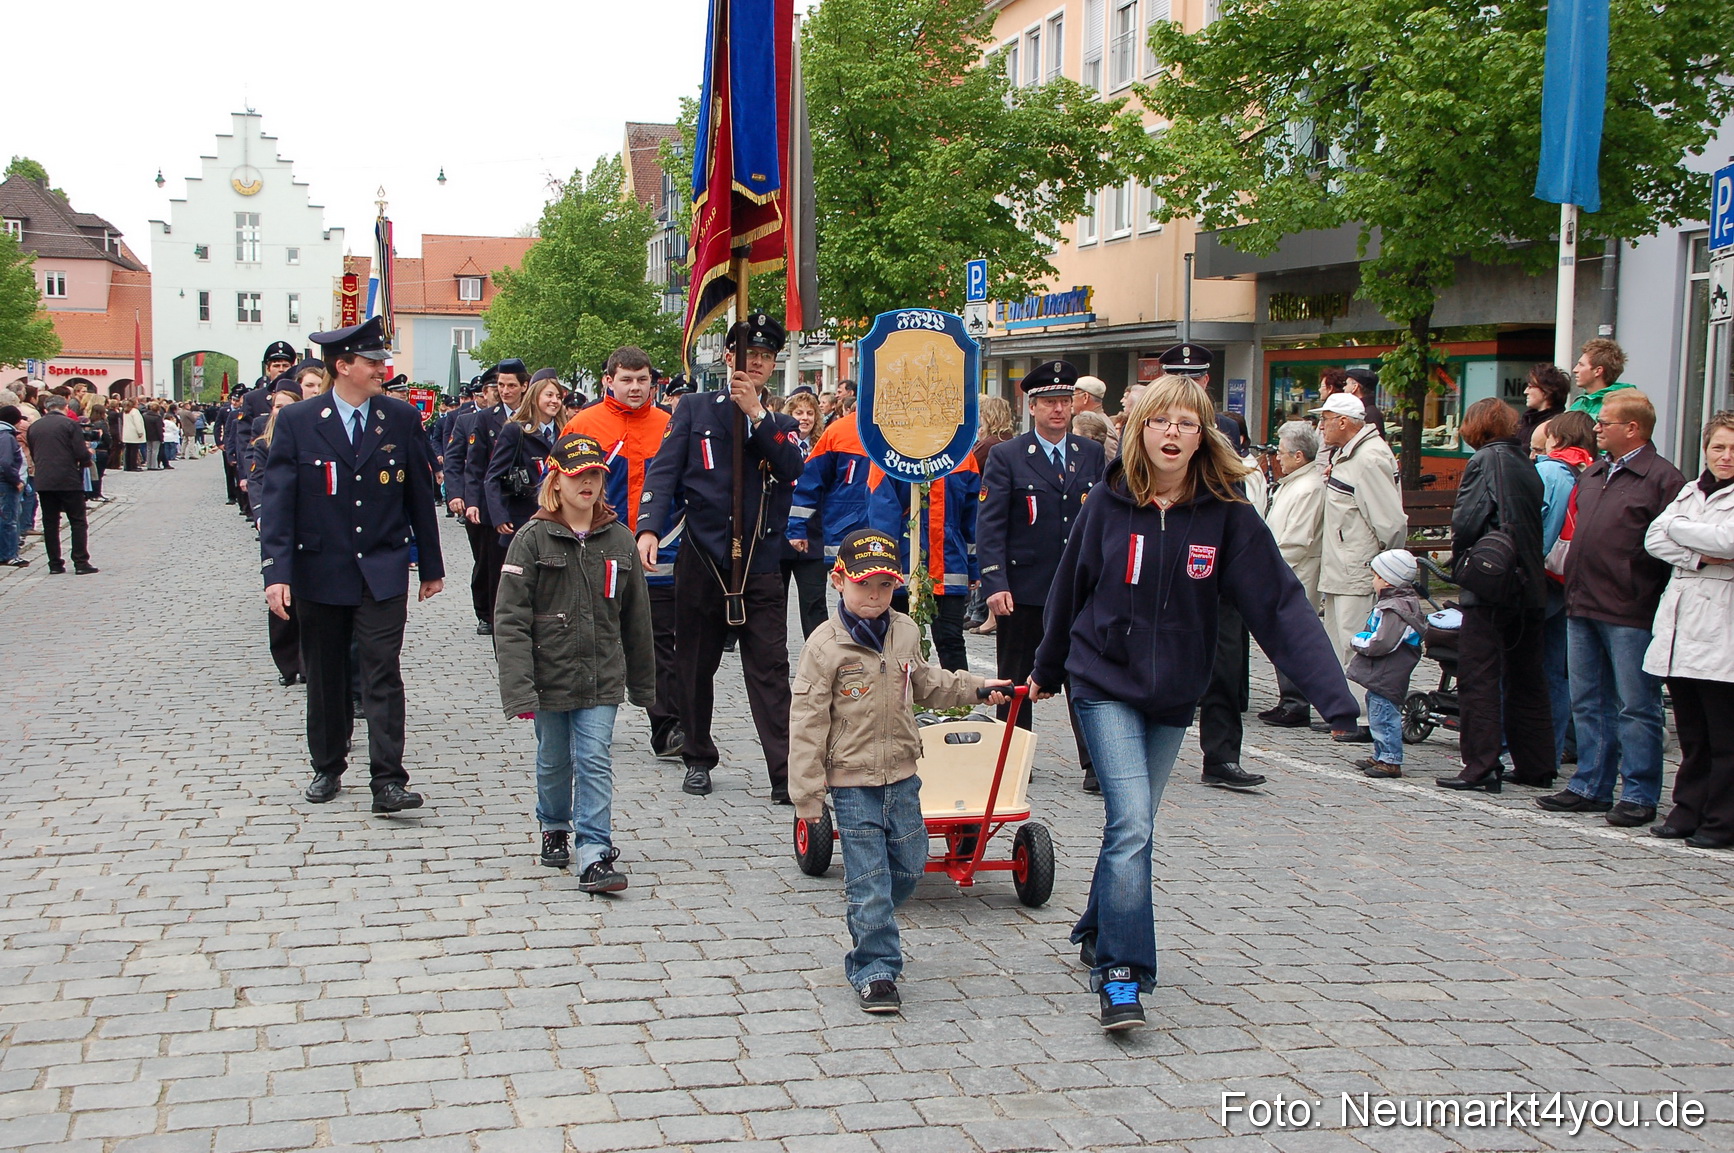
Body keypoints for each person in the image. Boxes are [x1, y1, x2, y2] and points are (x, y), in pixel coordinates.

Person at [1031, 374, 1359, 1031]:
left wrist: (1334, 697)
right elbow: (1070, 587)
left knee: (1134, 823)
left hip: (1175, 693)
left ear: (1201, 433)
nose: (1172, 433)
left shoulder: (1227, 514)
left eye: (1186, 422)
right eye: (1159, 421)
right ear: (1139, 431)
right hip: (1103, 683)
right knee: (1131, 823)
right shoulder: (1107, 502)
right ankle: (1122, 973)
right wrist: (1045, 668)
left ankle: (1100, 924)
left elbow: (1280, 605)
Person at [789, 528, 1009, 1013]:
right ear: (838, 580)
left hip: (903, 777)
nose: (874, 595)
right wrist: (807, 797)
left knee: (908, 868)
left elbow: (929, 681)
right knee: (868, 882)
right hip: (851, 785)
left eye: (885, 586)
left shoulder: (905, 631)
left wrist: (977, 688)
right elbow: (806, 724)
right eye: (865, 584)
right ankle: (876, 970)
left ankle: (874, 916)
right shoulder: (825, 647)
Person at [260, 316, 446, 814]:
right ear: (343, 367)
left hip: (382, 568)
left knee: (382, 671)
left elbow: (418, 496)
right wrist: (276, 574)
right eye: (373, 361)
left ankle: (388, 780)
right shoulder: (301, 422)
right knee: (325, 673)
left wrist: (430, 564)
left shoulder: (400, 418)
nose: (383, 368)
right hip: (320, 570)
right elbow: (279, 502)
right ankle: (328, 764)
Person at [638, 312, 805, 801]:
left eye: (764, 358)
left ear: (772, 366)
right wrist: (649, 528)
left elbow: (792, 466)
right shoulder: (693, 409)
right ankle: (696, 755)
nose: (754, 364)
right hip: (703, 556)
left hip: (759, 562)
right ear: (728, 357)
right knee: (693, 664)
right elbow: (664, 473)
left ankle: (784, 771)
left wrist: (757, 415)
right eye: (747, 355)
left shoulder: (782, 423)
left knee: (770, 669)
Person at [495, 434, 656, 889]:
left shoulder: (620, 540)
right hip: (550, 672)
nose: (587, 482)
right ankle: (553, 825)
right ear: (556, 481)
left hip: (602, 673)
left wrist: (645, 687)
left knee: (594, 757)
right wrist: (519, 689)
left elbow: (637, 619)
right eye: (577, 474)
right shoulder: (530, 539)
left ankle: (595, 851)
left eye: (595, 475)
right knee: (552, 759)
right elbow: (510, 619)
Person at [1539, 389, 1685, 826]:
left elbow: (1669, 547)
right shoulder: (1595, 472)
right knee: (1588, 699)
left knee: (1636, 705)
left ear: (1632, 428)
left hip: (1629, 608)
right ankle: (1590, 784)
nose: (1596, 427)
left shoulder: (1661, 479)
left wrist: (1643, 593)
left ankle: (1639, 793)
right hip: (1582, 602)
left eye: (1605, 422)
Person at [977, 360, 1106, 792]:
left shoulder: (1088, 454)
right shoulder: (1007, 456)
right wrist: (995, 583)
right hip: (1025, 585)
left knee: (1084, 675)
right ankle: (1014, 757)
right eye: (1049, 402)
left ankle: (1094, 763)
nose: (1058, 410)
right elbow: (991, 525)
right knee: (1016, 677)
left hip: (1078, 587)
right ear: (1031, 407)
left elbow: (1102, 518)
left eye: (1064, 402)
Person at [564, 348, 684, 759]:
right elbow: (558, 487)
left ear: (653, 382)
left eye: (642, 380)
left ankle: (667, 727)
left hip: (658, 552)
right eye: (626, 379)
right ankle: (585, 719)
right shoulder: (584, 425)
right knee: (593, 639)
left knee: (657, 642)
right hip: (597, 550)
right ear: (608, 381)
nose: (635, 388)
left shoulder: (670, 426)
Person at [1437, 398, 1554, 791]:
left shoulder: (1484, 461)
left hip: (1493, 581)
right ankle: (1537, 763)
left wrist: (1460, 560)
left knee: (1480, 677)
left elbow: (1467, 521)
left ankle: (1481, 764)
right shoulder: (1526, 462)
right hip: (1530, 582)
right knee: (1527, 677)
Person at [1643, 412, 1734, 848]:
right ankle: (1687, 810)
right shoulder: (1690, 491)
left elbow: (1729, 541)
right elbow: (1655, 537)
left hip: (1721, 628)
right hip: (1681, 625)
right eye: (1719, 447)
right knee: (1693, 734)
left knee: (1724, 736)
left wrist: (1682, 533)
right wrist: (1697, 550)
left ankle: (1721, 820)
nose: (1726, 456)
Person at [1315, 392, 1406, 736]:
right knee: (1339, 641)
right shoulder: (1349, 455)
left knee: (1358, 642)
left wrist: (1386, 567)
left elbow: (1390, 521)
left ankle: (1365, 719)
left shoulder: (1368, 458)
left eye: (1325, 419)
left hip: (1359, 567)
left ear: (1343, 421)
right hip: (1340, 564)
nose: (1320, 426)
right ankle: (1345, 712)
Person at [866, 450, 981, 672]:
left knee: (951, 640)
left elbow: (971, 518)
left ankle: (957, 702)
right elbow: (882, 512)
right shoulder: (890, 452)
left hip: (950, 565)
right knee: (898, 642)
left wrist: (972, 566)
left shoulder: (963, 455)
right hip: (905, 566)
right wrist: (886, 565)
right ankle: (898, 701)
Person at [1257, 420, 1327, 728]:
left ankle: (1297, 701)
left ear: (1299, 456)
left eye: (1283, 453)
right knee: (1282, 637)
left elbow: (1297, 540)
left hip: (1295, 571)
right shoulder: (1295, 484)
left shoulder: (1308, 487)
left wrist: (1270, 567)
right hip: (1283, 568)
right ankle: (1289, 698)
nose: (1278, 459)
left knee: (1292, 637)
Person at [1536, 410, 1596, 763]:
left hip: (1543, 576)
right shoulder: (1590, 471)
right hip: (1569, 579)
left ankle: (1526, 746)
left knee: (1529, 665)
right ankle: (1555, 746)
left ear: (1557, 439)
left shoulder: (1550, 471)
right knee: (1559, 671)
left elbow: (1540, 527)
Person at [462, 360, 529, 632]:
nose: (505, 390)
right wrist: (472, 501)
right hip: (494, 503)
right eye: (500, 385)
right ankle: (491, 617)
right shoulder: (485, 418)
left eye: (511, 385)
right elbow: (475, 465)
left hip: (524, 500)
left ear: (524, 387)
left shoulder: (531, 417)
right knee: (493, 565)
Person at [1347, 550, 1426, 777]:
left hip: (1389, 668)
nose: (1373, 581)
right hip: (1387, 669)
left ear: (1387, 579)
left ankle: (1390, 758)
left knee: (1384, 710)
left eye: (1375, 576)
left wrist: (1358, 640)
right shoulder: (1397, 603)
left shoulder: (1394, 608)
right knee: (1376, 704)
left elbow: (1383, 641)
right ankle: (1381, 752)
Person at [788, 400, 872, 590]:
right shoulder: (840, 432)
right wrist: (796, 528)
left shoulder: (906, 433)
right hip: (848, 534)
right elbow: (809, 482)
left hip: (885, 534)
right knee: (854, 603)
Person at [484, 371, 564, 538]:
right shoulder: (515, 430)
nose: (555, 401)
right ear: (535, 397)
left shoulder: (565, 431)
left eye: (558, 396)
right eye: (549, 395)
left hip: (558, 517)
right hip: (523, 517)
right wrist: (499, 516)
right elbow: (493, 476)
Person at [24, 396, 97, 575]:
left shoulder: (35, 426)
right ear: (64, 407)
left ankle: (55, 563)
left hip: (44, 479)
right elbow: (80, 452)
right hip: (68, 478)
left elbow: (34, 452)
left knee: (50, 522)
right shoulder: (70, 424)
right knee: (77, 521)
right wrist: (87, 458)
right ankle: (80, 561)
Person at [780, 390, 830, 638]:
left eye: (810, 413)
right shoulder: (778, 443)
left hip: (813, 537)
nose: (805, 418)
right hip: (779, 536)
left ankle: (821, 657)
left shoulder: (823, 446)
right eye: (799, 412)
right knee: (774, 604)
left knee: (815, 603)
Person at [1564, 337, 1636, 419]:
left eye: (1581, 365)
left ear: (1598, 371)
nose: (1575, 370)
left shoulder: (1621, 406)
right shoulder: (1578, 405)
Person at [1518, 363, 1571, 446]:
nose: (1525, 392)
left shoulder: (1558, 427)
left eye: (1530, 387)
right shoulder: (1524, 422)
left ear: (1546, 391)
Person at [0, 405, 25, 568]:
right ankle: (9, 554)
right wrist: (16, 480)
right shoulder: (6, 437)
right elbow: (5, 462)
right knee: (8, 519)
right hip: (5, 483)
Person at [1072, 376, 1119, 461]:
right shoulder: (1098, 421)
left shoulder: (1101, 426)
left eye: (1073, 395)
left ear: (1085, 397)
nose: (1070, 400)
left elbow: (1113, 465)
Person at [1342, 368, 1387, 439]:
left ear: (1355, 387)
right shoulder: (1365, 411)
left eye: (1346, 384)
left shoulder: (1368, 413)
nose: (1344, 388)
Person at [122, 398, 146, 471]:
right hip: (134, 433)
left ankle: (127, 466)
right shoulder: (135, 411)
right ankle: (133, 466)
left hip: (127, 433)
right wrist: (140, 432)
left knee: (128, 450)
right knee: (134, 451)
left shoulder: (126, 411)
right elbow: (138, 423)